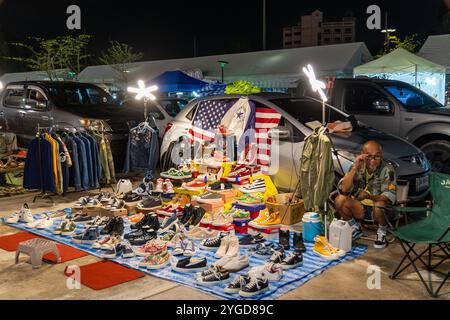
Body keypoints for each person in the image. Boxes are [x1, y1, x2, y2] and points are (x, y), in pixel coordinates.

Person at [335, 140, 397, 249]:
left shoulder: (388, 169)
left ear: (381, 156)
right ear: (362, 155)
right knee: (340, 199)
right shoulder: (358, 165)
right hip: (360, 208)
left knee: (380, 205)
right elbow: (344, 189)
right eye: (369, 156)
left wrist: (368, 196)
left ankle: (381, 232)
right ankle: (354, 227)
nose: (373, 160)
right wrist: (354, 168)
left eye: (377, 156)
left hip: (380, 210)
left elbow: (389, 197)